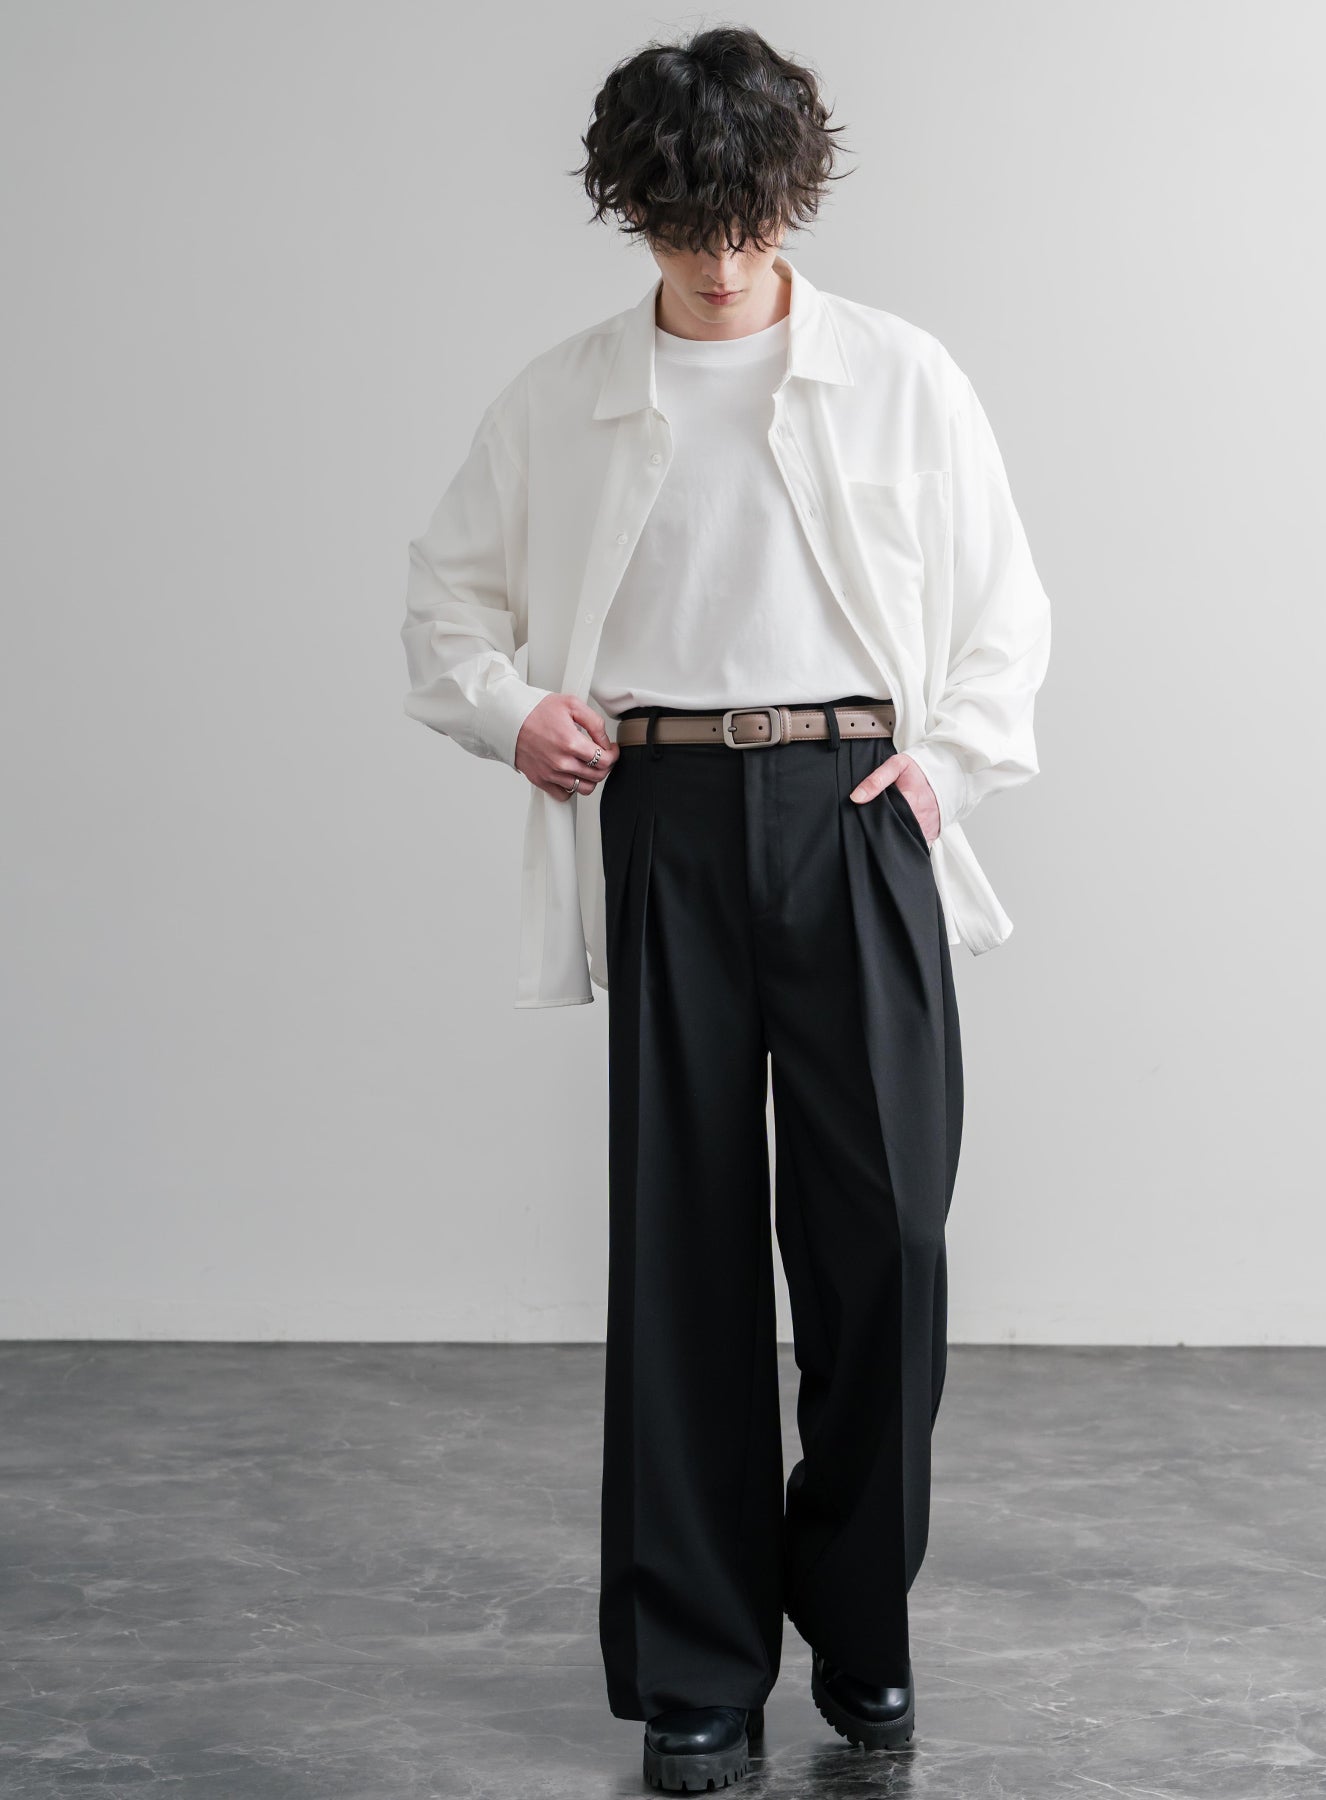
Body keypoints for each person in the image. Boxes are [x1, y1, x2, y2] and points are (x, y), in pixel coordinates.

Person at [401, 25, 1052, 1791]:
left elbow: (1005, 611)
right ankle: (699, 1665)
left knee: (888, 1244)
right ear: (635, 209)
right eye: (683, 222)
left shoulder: (901, 376)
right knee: (681, 1249)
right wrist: (510, 710)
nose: (719, 255)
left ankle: (859, 1620)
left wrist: (947, 770)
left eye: (749, 217)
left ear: (795, 195)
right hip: (668, 813)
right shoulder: (563, 396)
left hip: (855, 814)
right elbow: (443, 605)